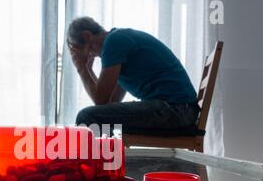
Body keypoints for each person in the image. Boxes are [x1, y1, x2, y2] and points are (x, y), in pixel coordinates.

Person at [67, 17, 200, 133]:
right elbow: (109, 103)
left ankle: (90, 162)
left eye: (75, 49)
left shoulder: (114, 42)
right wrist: (88, 70)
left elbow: (100, 100)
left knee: (87, 117)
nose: (76, 55)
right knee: (100, 120)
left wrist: (81, 68)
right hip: (183, 110)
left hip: (176, 110)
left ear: (87, 36)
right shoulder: (118, 42)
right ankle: (104, 161)